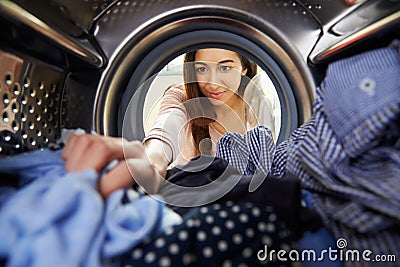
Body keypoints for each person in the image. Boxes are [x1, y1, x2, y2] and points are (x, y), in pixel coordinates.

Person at [62, 48, 261, 198]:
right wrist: (151, 160)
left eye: (225, 67)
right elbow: (165, 130)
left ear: (244, 68)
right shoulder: (180, 98)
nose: (212, 83)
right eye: (201, 69)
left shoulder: (257, 113)